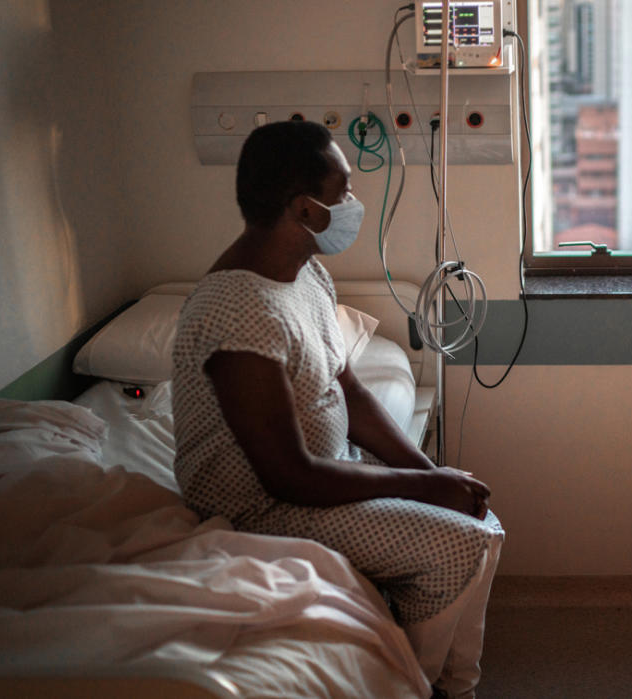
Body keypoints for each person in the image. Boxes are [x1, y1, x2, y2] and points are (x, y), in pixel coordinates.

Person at [170, 120, 503, 699]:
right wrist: (425, 492)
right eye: (343, 193)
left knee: (482, 520)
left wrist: (431, 475)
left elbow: (350, 391)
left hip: (324, 472)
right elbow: (288, 476)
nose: (353, 205)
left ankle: (458, 683)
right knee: (462, 542)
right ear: (305, 208)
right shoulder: (237, 312)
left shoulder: (306, 275)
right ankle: (414, 684)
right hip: (263, 507)